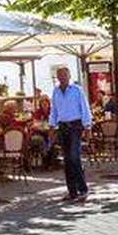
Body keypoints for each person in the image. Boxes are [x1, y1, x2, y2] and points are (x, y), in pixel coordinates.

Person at [49, 66, 91, 202]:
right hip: (63, 126)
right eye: (59, 76)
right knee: (67, 160)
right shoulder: (55, 91)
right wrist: (52, 126)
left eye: (64, 75)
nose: (62, 78)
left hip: (75, 126)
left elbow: (84, 108)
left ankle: (83, 189)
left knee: (74, 157)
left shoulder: (77, 90)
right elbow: (54, 110)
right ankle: (72, 191)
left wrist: (87, 126)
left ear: (69, 75)